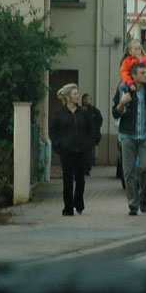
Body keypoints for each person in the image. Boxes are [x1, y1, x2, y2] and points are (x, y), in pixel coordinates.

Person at [113, 62, 146, 216]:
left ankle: (143, 195)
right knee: (128, 172)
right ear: (134, 76)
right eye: (142, 73)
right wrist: (122, 102)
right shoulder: (124, 90)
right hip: (128, 135)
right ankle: (133, 204)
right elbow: (115, 113)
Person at [49, 83, 94, 216]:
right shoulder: (59, 114)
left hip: (81, 150)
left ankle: (78, 203)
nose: (77, 96)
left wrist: (88, 144)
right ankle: (68, 207)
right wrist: (58, 145)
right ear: (68, 97)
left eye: (77, 93)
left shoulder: (83, 113)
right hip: (66, 151)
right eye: (74, 94)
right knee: (67, 179)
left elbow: (91, 129)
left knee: (80, 178)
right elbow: (53, 131)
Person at [81, 93, 103, 176]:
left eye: (88, 99)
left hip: (91, 136)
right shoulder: (79, 110)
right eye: (85, 99)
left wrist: (95, 129)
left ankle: (87, 168)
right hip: (81, 136)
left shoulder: (94, 111)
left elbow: (100, 120)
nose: (87, 101)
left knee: (89, 153)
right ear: (82, 100)